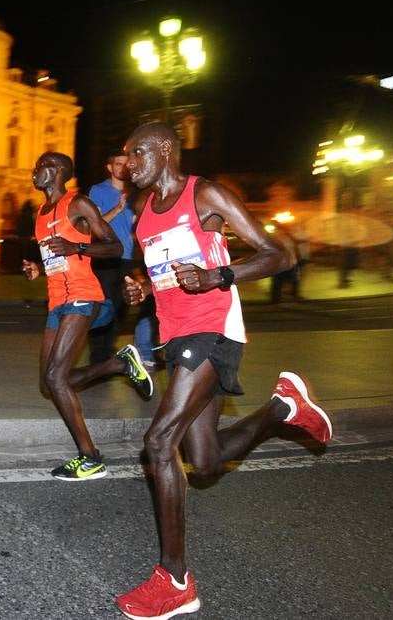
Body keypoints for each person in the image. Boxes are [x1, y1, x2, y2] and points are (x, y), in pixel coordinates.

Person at [115, 122, 333, 620]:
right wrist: (145, 291)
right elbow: (167, 272)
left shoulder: (206, 194)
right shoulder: (142, 216)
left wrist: (220, 275)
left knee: (157, 442)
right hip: (177, 338)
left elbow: (281, 254)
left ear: (167, 150)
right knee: (206, 462)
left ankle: (175, 581)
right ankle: (283, 408)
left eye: (139, 153)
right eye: (127, 157)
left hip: (213, 330)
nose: (131, 164)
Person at [21, 151, 153, 482]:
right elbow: (56, 257)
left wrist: (77, 248)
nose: (34, 171)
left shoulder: (78, 203)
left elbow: (112, 245)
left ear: (55, 171)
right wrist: (39, 267)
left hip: (83, 296)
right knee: (49, 383)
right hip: (56, 300)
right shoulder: (39, 213)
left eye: (40, 167)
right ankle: (118, 364)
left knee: (55, 376)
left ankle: (90, 457)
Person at [87, 149, 155, 366]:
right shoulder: (98, 190)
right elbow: (93, 226)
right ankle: (98, 356)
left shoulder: (137, 191)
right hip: (106, 258)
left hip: (129, 258)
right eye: (118, 164)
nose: (123, 168)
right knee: (103, 306)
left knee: (122, 307)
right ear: (110, 167)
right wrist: (117, 210)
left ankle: (109, 350)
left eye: (127, 164)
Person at [267, 223, 301, 304]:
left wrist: (295, 259)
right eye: (282, 229)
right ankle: (276, 299)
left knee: (291, 280)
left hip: (289, 263)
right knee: (278, 281)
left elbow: (293, 250)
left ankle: (281, 296)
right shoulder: (277, 238)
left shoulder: (287, 238)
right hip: (281, 264)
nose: (283, 231)